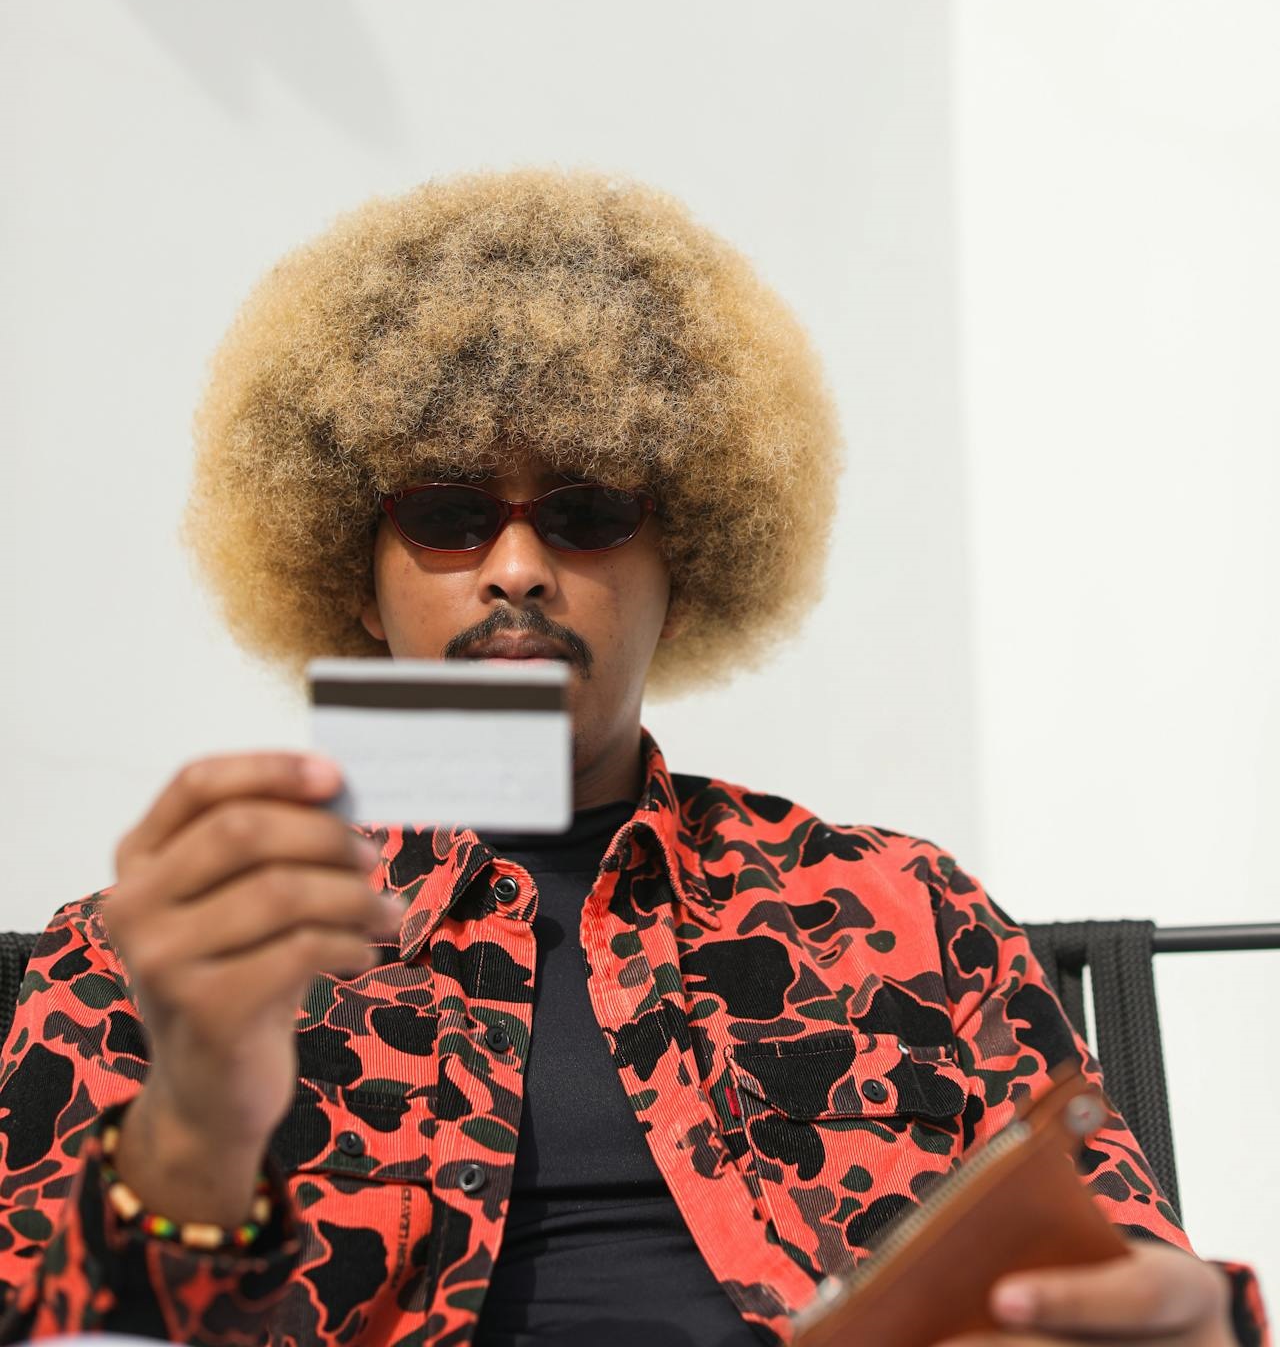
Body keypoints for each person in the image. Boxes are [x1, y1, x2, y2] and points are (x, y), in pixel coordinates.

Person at [0, 169, 1267, 1347]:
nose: (515, 568)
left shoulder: (902, 913)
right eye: (446, 515)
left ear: (687, 566)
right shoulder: (162, 953)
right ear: (356, 586)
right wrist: (192, 1127)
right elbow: (50, 1324)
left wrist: (1189, 1319)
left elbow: (1119, 1268)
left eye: (587, 511)